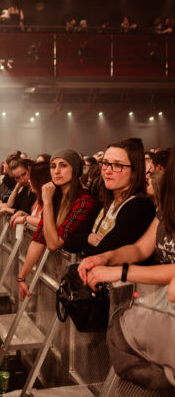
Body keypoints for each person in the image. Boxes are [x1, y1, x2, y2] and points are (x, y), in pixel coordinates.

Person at [78, 146, 175, 390]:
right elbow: (141, 248)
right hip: (162, 309)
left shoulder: (140, 205)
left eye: (117, 165)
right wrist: (106, 257)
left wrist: (120, 271)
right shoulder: (167, 208)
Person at [18, 149, 95, 300]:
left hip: (82, 280)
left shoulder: (84, 200)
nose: (57, 171)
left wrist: (46, 202)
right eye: (53, 166)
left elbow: (53, 244)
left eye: (63, 165)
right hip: (62, 274)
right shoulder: (56, 197)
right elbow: (39, 238)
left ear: (76, 169)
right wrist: (22, 277)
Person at [64, 138, 155, 258]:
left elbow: (105, 253)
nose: (107, 171)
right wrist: (88, 237)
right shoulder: (104, 201)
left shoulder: (139, 206)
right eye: (105, 163)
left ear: (134, 171)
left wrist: (85, 243)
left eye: (117, 165)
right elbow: (69, 242)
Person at [10, 162, 51, 229]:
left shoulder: (51, 199)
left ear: (40, 180)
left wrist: (25, 219)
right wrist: (23, 214)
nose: (28, 181)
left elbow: (47, 224)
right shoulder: (39, 198)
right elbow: (36, 218)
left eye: (31, 178)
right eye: (17, 178)